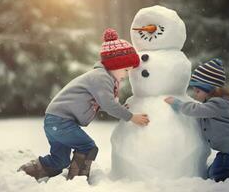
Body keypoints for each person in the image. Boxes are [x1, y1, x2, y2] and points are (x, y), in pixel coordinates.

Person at [18, 28, 150, 181]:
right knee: (87, 146)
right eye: (126, 69)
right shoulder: (101, 77)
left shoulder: (104, 78)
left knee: (60, 160)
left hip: (55, 121)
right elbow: (108, 104)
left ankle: (26, 173)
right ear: (115, 64)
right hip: (61, 121)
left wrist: (120, 108)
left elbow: (108, 101)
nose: (126, 74)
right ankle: (77, 181)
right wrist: (131, 117)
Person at [164, 58, 229, 182]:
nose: (195, 94)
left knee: (217, 173)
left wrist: (178, 104)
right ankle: (226, 179)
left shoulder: (217, 104)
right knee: (212, 172)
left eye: (198, 90)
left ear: (210, 89)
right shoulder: (212, 105)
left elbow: (197, 110)